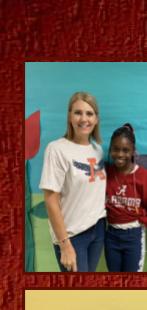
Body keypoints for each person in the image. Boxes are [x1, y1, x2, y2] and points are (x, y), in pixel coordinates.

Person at [40, 92, 107, 272]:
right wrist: (64, 245)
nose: (84, 119)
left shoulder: (98, 150)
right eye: (78, 113)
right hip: (72, 236)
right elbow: (51, 201)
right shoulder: (57, 150)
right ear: (69, 116)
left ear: (96, 119)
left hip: (98, 229)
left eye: (89, 114)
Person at [104, 124, 147, 272]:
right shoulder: (105, 174)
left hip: (134, 236)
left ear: (133, 152)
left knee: (133, 284)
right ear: (110, 149)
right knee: (114, 282)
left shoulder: (144, 177)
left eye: (125, 150)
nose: (120, 154)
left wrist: (139, 220)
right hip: (111, 235)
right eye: (115, 149)